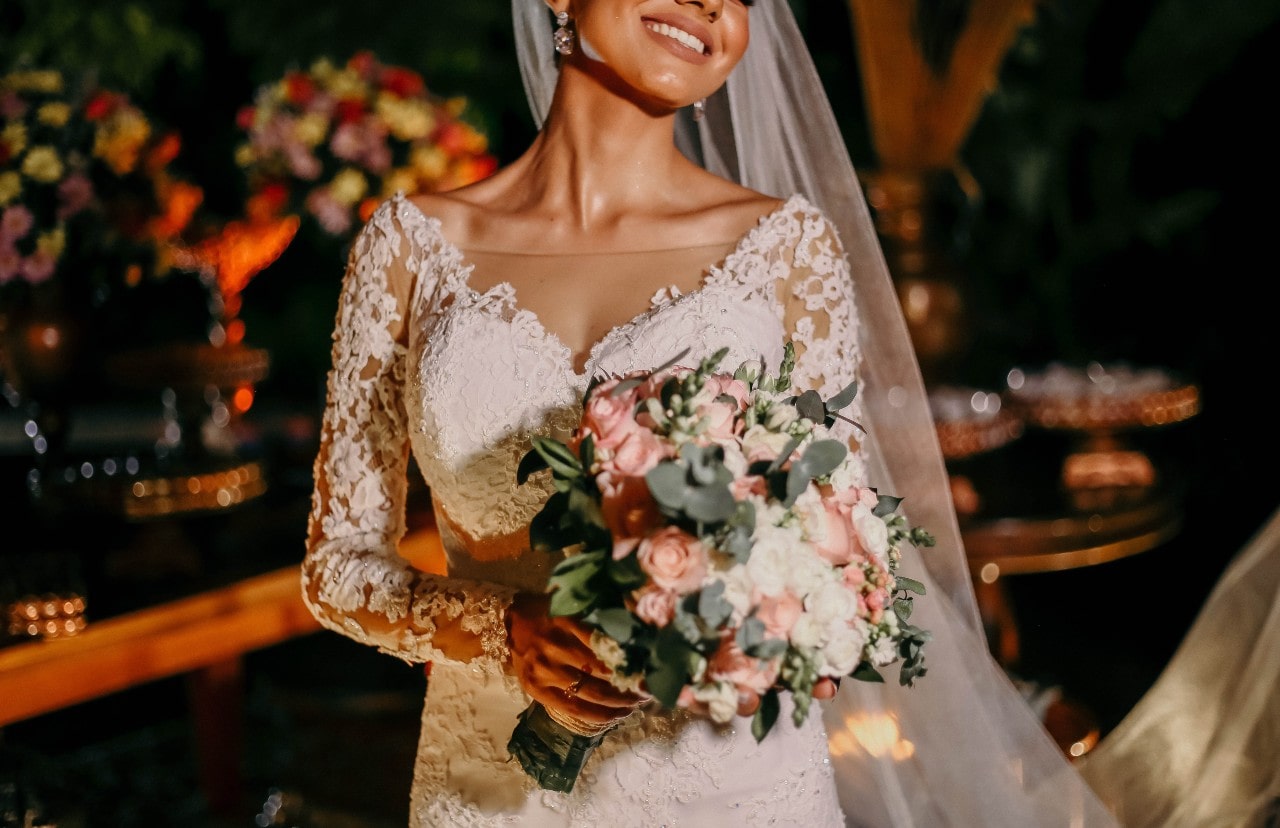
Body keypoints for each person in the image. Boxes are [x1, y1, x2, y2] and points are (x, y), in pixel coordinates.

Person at [301, 0, 1120, 824]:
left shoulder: (785, 255)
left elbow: (839, 549)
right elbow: (336, 568)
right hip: (489, 792)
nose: (709, 5)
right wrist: (501, 626)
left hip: (735, 792)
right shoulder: (409, 249)